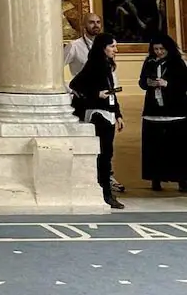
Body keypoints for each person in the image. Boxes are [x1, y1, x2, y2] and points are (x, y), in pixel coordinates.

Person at [65, 13, 125, 194]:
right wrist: (93, 94)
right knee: (101, 151)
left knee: (107, 152)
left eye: (98, 22)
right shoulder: (79, 50)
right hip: (95, 111)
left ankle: (106, 185)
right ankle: (102, 189)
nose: (96, 25)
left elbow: (111, 89)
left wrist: (118, 113)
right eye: (91, 22)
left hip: (108, 110)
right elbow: (75, 84)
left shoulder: (107, 63)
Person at [139, 34, 187, 193]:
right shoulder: (149, 62)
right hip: (153, 110)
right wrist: (148, 83)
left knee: (177, 148)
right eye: (156, 49)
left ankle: (181, 180)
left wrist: (167, 84)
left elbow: (184, 83)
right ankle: (156, 178)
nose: (158, 52)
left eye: (161, 49)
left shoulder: (177, 63)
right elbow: (142, 82)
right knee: (154, 147)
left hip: (174, 110)